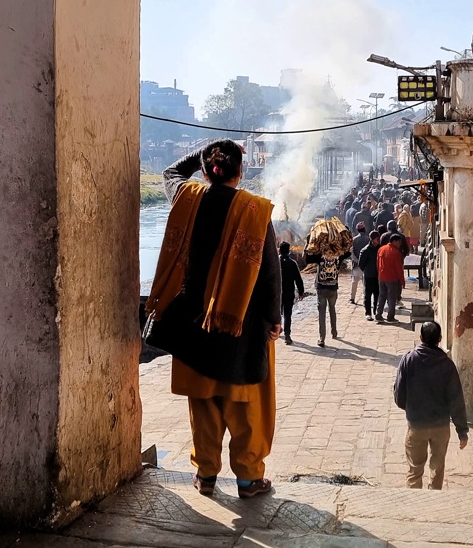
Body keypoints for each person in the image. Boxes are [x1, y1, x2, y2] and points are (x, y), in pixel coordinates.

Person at [147, 140, 281, 500]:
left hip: (192, 320)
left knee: (203, 401)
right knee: (244, 403)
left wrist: (205, 151)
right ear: (243, 171)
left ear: (205, 172)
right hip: (241, 323)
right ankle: (249, 479)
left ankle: (206, 474)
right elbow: (270, 272)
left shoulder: (187, 196)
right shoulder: (254, 212)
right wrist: (273, 318)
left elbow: (171, 172)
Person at [393, 321, 469, 489]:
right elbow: (456, 399)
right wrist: (462, 431)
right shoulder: (447, 365)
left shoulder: (408, 360)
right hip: (440, 426)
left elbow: (399, 396)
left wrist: (412, 409)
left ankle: (415, 505)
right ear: (440, 339)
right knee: (437, 468)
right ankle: (434, 502)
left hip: (417, 425)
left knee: (414, 469)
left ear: (420, 338)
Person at [304, 228, 351, 348]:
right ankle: (334, 332)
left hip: (321, 287)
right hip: (333, 287)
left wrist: (308, 242)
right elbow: (348, 252)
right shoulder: (338, 257)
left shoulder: (320, 256)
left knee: (322, 313)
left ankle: (322, 338)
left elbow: (307, 258)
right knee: (332, 309)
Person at [279, 242, 305, 345]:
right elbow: (298, 279)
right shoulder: (292, 263)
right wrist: (301, 291)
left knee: (277, 312)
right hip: (289, 292)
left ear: (279, 250)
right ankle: (287, 336)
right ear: (289, 251)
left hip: (277, 293)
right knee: (287, 314)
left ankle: (276, 330)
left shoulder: (276, 262)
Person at [375, 233, 405, 323]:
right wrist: (402, 281)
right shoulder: (396, 253)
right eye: (399, 242)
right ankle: (390, 316)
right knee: (391, 298)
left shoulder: (381, 249)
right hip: (392, 278)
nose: (399, 244)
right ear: (395, 241)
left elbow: (377, 264)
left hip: (381, 277)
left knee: (381, 296)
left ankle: (378, 314)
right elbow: (399, 269)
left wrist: (379, 273)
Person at [358, 229, 382, 320]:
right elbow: (361, 264)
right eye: (377, 239)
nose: (378, 240)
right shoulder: (365, 250)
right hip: (368, 276)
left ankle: (376, 312)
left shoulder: (380, 249)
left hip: (378, 276)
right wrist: (367, 270)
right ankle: (368, 313)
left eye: (378, 238)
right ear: (372, 239)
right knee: (367, 295)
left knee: (377, 295)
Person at [350, 221, 370, 304]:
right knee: (365, 283)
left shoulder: (354, 240)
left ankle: (352, 298)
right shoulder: (368, 239)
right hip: (366, 265)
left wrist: (356, 260)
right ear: (364, 229)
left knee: (354, 282)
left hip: (356, 265)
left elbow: (351, 252)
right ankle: (365, 299)